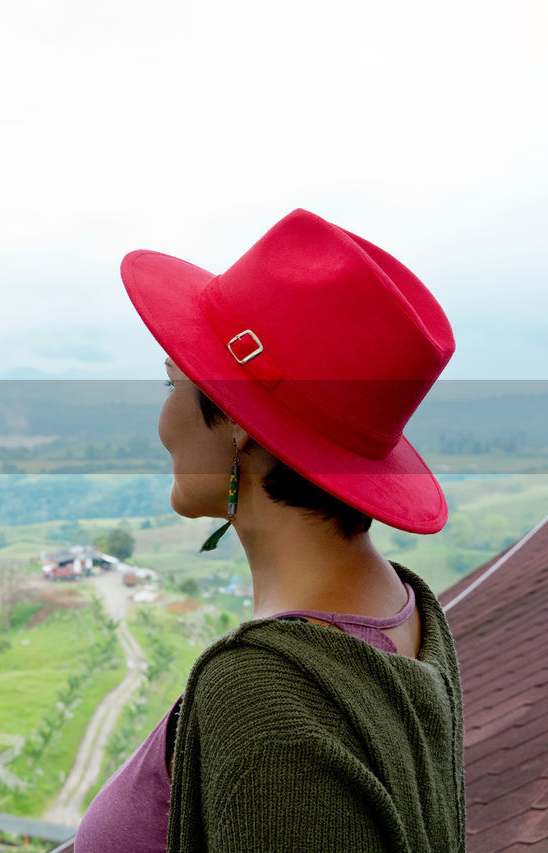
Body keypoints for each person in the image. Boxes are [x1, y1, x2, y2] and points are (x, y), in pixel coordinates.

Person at [75, 209, 466, 852]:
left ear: (237, 420)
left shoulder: (262, 696)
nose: (161, 421)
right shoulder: (409, 615)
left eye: (172, 382)